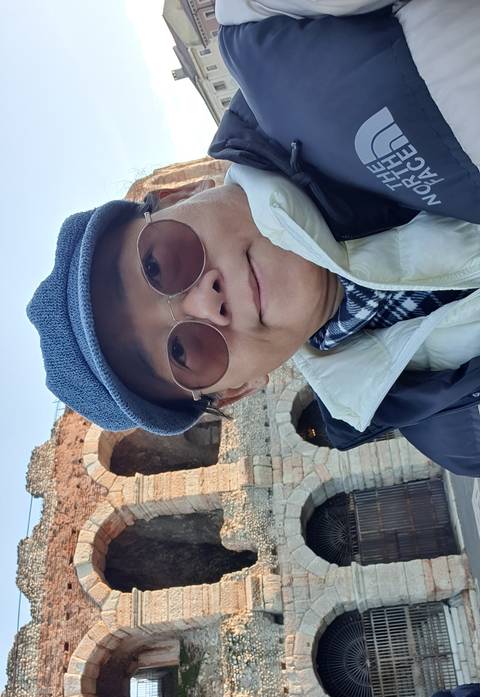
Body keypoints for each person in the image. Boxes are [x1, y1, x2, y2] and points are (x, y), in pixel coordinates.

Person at [27, 1, 480, 474]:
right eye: (184, 352)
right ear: (238, 390)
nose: (206, 303)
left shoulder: (271, 24)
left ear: (184, 190)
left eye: (158, 264)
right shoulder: (458, 433)